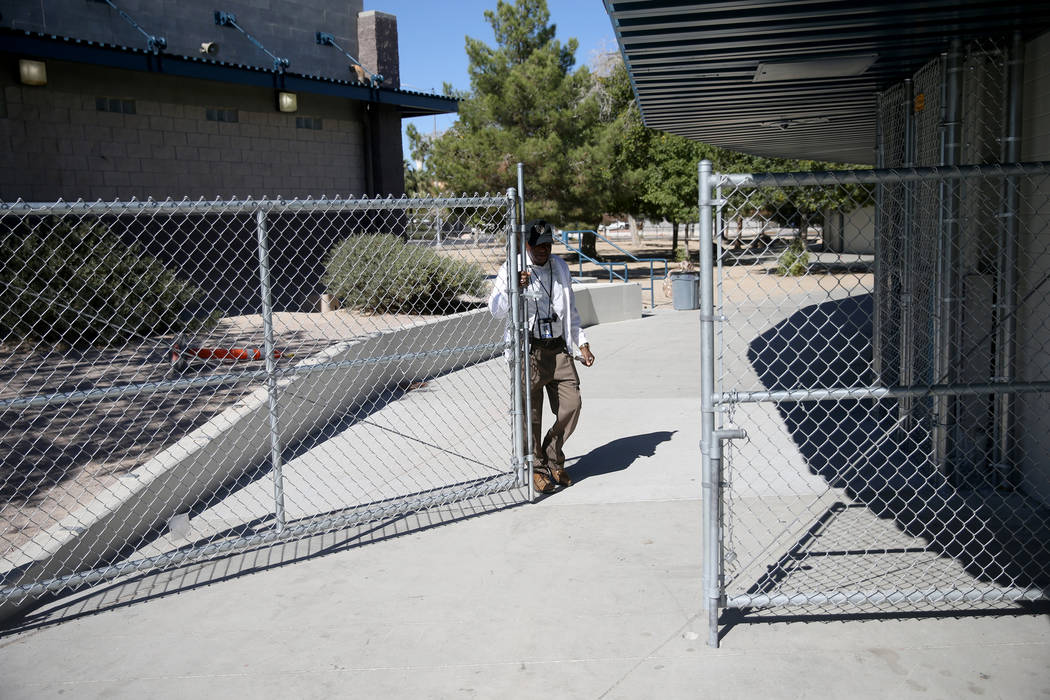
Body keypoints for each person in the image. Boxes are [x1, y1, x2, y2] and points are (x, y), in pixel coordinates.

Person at [488, 219, 596, 494]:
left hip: (558, 348)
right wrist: (515, 288)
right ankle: (536, 467)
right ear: (527, 245)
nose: (543, 251)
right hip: (529, 351)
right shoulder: (512, 268)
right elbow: (496, 310)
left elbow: (569, 308)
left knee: (572, 404)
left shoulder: (559, 267)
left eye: (547, 245)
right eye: (537, 246)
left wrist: (581, 342)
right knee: (531, 413)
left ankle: (552, 453)